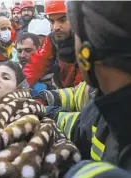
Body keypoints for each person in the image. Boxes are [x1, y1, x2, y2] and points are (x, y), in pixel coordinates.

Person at [44, 1, 131, 176]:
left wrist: (82, 172)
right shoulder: (107, 103)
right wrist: (41, 108)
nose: (56, 28)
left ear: (86, 50)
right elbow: (79, 126)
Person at [23, 0, 82, 89]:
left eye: (62, 20)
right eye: (52, 21)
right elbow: (37, 63)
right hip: (65, 90)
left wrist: (56, 97)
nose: (55, 27)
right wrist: (21, 86)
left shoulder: (89, 43)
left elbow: (82, 88)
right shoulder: (52, 39)